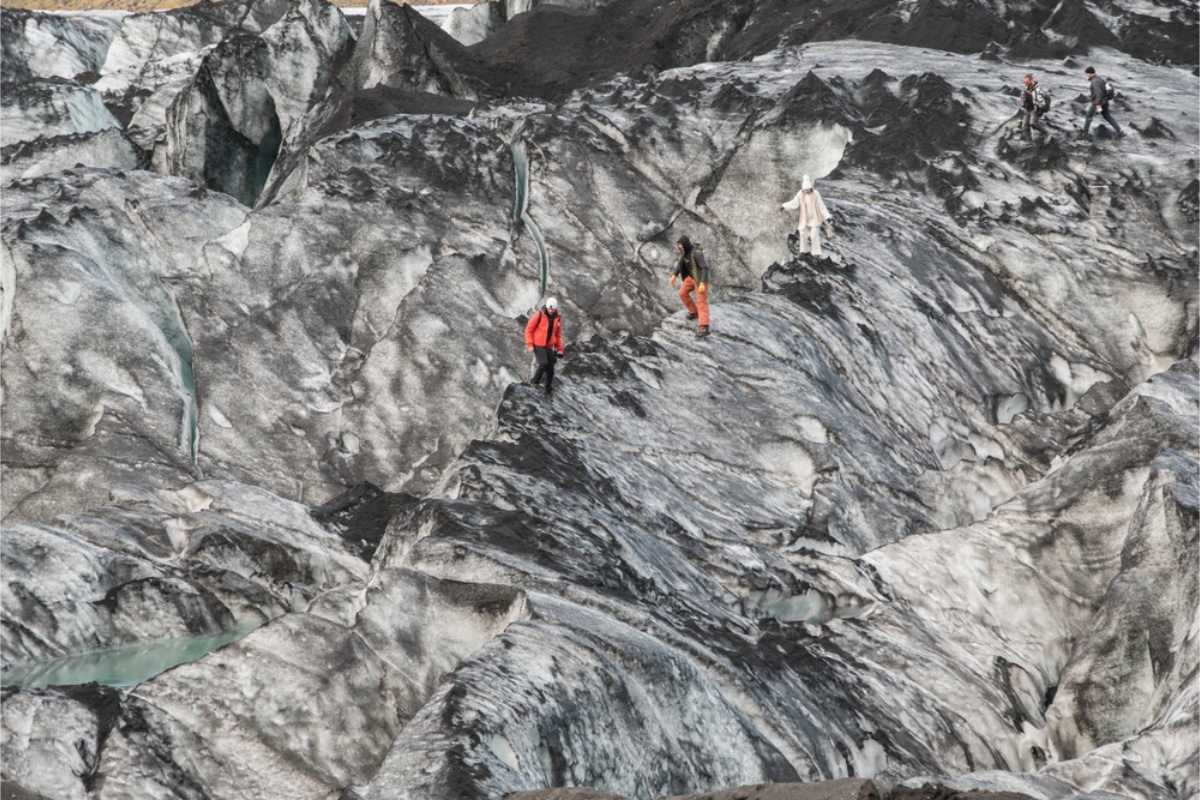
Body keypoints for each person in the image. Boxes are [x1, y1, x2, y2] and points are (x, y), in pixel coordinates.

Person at [669, 235, 711, 337]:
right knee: (682, 293)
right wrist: (675, 275)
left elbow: (705, 268)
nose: (679, 247)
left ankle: (704, 326)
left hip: (700, 279)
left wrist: (702, 283)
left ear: (685, 244)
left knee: (701, 301)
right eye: (678, 245)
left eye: (680, 245)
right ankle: (694, 312)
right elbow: (680, 264)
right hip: (691, 278)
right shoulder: (685, 254)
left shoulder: (697, 253)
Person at [781, 175, 831, 258]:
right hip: (804, 218)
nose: (807, 192)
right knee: (803, 233)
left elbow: (821, 206)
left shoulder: (816, 193)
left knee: (814, 235)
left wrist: (827, 216)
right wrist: (784, 206)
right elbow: (794, 203)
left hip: (815, 217)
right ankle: (804, 251)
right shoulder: (800, 194)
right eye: (805, 190)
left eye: (808, 190)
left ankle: (816, 253)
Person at [524, 297, 564, 396]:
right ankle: (534, 382)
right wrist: (530, 344)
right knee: (543, 363)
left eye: (553, 308)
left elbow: (558, 335)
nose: (551, 310)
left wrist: (560, 349)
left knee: (551, 367)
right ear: (546, 307)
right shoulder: (539, 315)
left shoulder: (557, 318)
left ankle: (548, 388)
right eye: (549, 308)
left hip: (548, 346)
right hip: (538, 344)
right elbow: (528, 330)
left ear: (555, 308)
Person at [1082, 66, 1123, 138]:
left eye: (1087, 74)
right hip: (1105, 102)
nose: (1087, 76)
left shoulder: (1095, 81)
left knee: (1089, 115)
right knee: (1106, 116)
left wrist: (1097, 103)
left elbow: (1099, 93)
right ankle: (1119, 130)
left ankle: (1084, 134)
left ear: (1090, 73)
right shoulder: (1100, 79)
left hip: (1098, 102)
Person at [1020, 74, 1049, 142]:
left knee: (1033, 123)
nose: (1025, 83)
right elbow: (1023, 99)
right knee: (1024, 126)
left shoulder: (1037, 89)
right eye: (1025, 82)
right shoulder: (1026, 89)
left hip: (1035, 109)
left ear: (1031, 80)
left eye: (1027, 81)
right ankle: (1029, 142)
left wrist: (1039, 108)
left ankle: (1046, 133)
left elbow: (1041, 101)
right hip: (1028, 108)